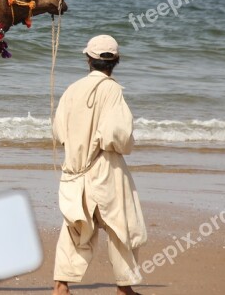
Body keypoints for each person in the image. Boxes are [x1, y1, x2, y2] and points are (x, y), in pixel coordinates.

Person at [52, 35, 147, 295]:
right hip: (105, 169)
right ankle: (124, 289)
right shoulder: (113, 89)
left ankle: (61, 286)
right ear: (115, 61)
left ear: (88, 60)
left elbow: (59, 133)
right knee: (122, 226)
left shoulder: (72, 89)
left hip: (74, 170)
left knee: (76, 227)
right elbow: (117, 136)